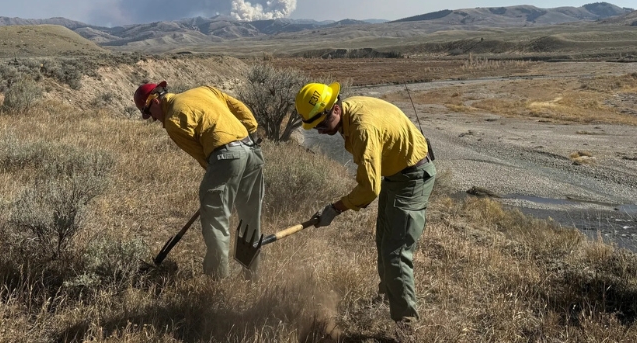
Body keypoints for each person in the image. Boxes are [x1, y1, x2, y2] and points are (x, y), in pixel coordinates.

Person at [294, 81, 436, 333]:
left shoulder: (361, 128)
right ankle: (387, 298)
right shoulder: (350, 111)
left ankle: (407, 326)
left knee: (395, 253)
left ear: (335, 110)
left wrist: (335, 208)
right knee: (383, 241)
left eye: (322, 124)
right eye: (314, 126)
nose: (320, 131)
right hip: (396, 174)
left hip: (412, 177)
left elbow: (370, 188)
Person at [135, 81, 264, 279]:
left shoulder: (173, 120)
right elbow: (239, 108)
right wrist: (251, 134)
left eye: (149, 113)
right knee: (250, 217)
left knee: (215, 218)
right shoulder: (203, 90)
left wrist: (220, 184)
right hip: (252, 150)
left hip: (226, 157)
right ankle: (252, 275)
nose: (153, 119)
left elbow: (203, 157)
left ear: (155, 102)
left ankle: (217, 282)